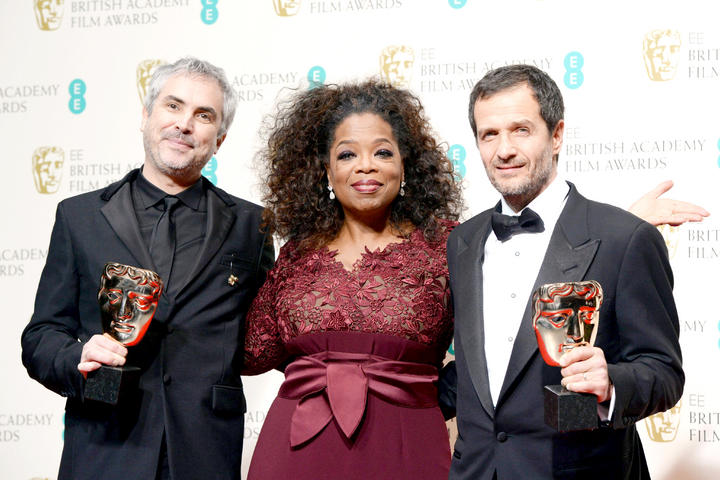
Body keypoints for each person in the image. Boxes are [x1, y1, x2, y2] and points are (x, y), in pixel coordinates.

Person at [21, 57, 274, 480]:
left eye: (204, 115)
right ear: (145, 116)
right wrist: (77, 356)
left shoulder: (253, 226)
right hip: (104, 449)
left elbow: (272, 333)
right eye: (173, 106)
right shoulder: (79, 216)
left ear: (220, 139)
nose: (184, 124)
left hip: (205, 452)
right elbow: (40, 336)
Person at [443, 64, 694, 479]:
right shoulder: (462, 242)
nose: (504, 150)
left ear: (556, 134)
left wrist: (610, 382)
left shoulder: (625, 238)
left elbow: (663, 372)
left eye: (521, 130)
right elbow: (473, 374)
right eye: (489, 134)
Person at [242, 79, 462, 479]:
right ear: (326, 170)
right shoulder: (297, 252)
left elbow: (495, 349)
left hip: (408, 445)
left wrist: (434, 396)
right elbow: (252, 354)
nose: (365, 166)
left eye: (382, 152)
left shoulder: (448, 245)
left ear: (405, 165)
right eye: (347, 154)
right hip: (295, 451)